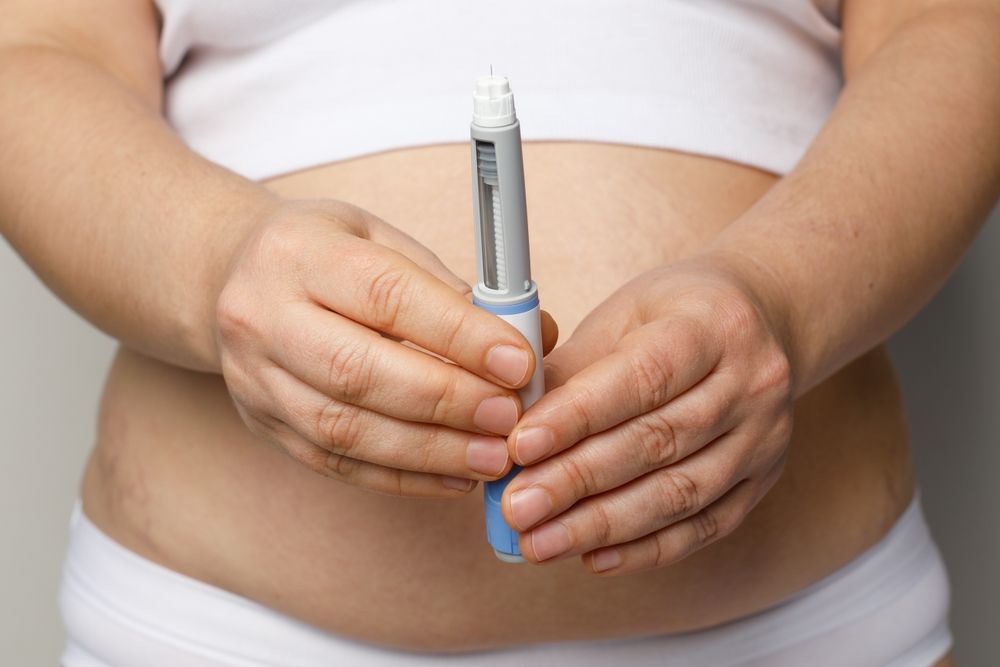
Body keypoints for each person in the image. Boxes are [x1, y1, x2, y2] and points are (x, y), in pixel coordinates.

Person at [2, 0, 997, 664]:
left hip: (797, 630)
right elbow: (35, 53)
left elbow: (950, 23)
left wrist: (785, 294)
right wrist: (215, 262)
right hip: (221, 628)